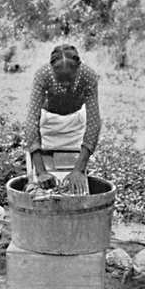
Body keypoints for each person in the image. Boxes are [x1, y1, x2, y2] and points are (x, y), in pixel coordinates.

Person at [23, 43, 102, 194]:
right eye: (61, 79)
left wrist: (79, 169)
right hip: (48, 124)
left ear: (78, 69)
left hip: (74, 125)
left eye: (70, 79)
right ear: (52, 70)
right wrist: (41, 172)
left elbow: (93, 123)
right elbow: (32, 121)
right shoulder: (43, 75)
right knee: (41, 191)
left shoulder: (89, 76)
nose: (65, 84)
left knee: (75, 189)